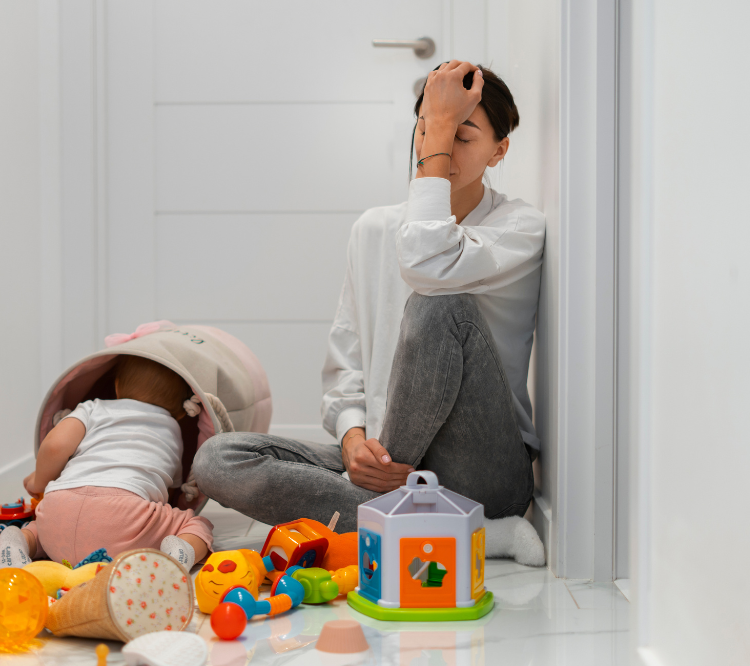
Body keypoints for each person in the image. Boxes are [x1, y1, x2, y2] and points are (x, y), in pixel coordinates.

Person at [192, 61, 544, 564]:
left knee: (437, 306)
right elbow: (346, 366)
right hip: (388, 462)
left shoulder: (518, 227)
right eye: (428, 130)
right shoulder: (374, 229)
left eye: (460, 135)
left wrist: (436, 131)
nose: (439, 148)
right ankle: (462, 531)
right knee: (218, 459)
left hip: (483, 471)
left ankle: (383, 510)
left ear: (499, 150)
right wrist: (355, 441)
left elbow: (429, 265)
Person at [0, 355, 213, 571]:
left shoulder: (92, 407)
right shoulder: (174, 430)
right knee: (195, 523)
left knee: (41, 528)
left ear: (116, 386)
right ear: (182, 412)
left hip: (59, 509)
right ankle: (178, 555)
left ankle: (19, 541)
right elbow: (169, 493)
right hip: (124, 524)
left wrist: (39, 482)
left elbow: (54, 446)